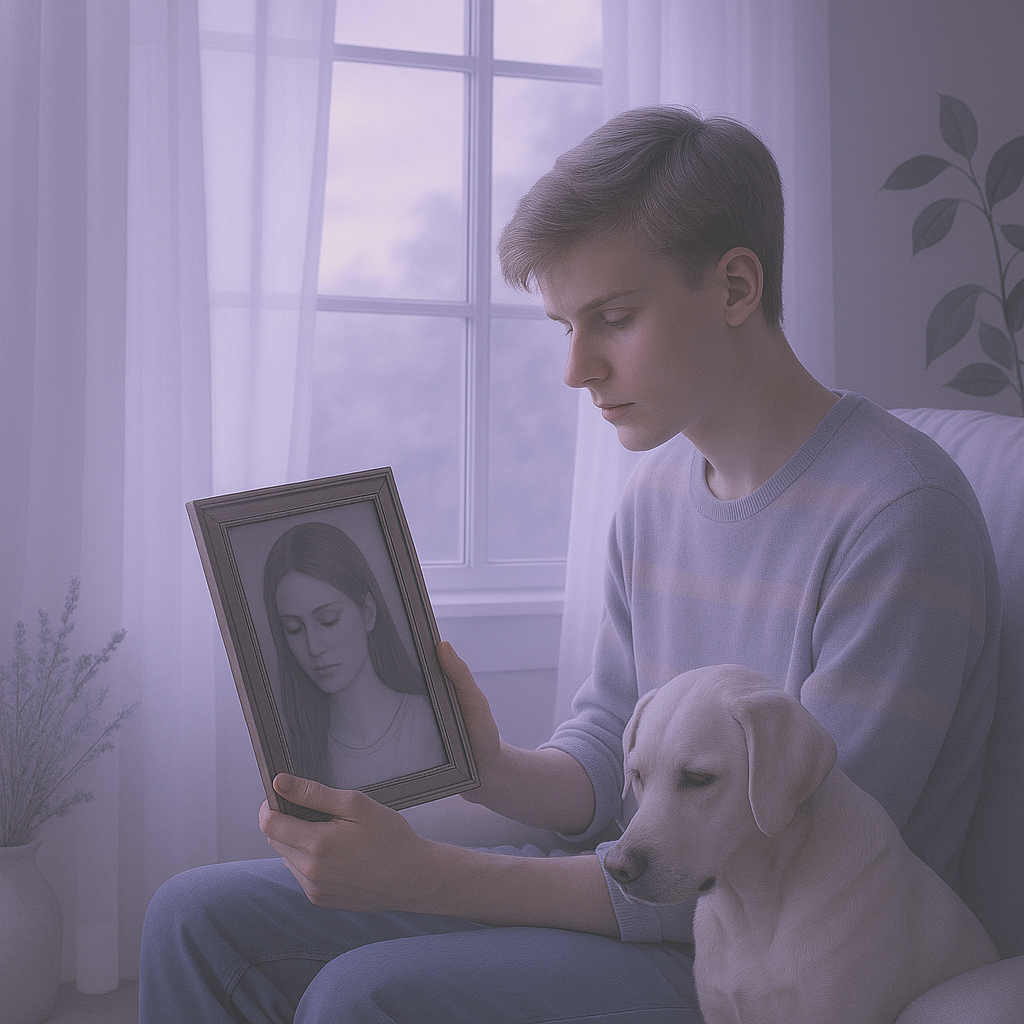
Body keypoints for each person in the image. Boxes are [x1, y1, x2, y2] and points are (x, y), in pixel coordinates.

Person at [139, 106, 999, 1022]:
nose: (577, 368)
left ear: (736, 286)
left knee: (364, 998)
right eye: (563, 328)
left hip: (765, 953)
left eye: (614, 319)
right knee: (189, 915)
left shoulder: (902, 516)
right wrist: (486, 764)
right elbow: (605, 763)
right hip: (639, 888)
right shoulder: (659, 494)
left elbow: (799, 852)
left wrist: (430, 875)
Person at [263, 521, 446, 789]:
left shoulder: (428, 725)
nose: (314, 647)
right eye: (294, 629)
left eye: (328, 620)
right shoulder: (298, 748)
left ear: (368, 613)